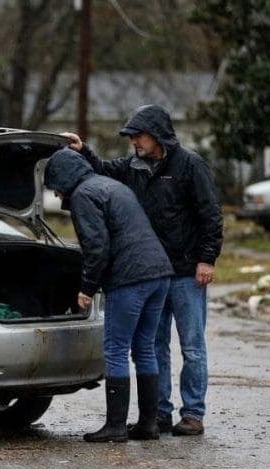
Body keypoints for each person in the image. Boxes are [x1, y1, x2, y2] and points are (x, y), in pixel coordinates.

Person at [63, 104, 223, 436]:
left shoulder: (190, 165)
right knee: (154, 345)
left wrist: (207, 258)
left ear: (157, 135)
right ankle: (160, 413)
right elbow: (103, 169)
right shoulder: (133, 166)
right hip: (155, 273)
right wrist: (83, 150)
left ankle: (193, 413)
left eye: (139, 136)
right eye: (132, 136)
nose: (134, 141)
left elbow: (211, 214)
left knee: (192, 346)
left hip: (187, 271)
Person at [44, 149, 173, 442]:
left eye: (55, 186)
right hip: (159, 272)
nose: (56, 193)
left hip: (131, 277)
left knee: (115, 350)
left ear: (63, 178)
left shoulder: (83, 195)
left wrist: (87, 288)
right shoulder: (112, 186)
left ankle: (115, 426)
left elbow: (97, 247)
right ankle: (149, 424)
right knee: (144, 348)